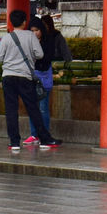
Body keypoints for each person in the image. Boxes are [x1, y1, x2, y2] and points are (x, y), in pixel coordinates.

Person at [0, 9, 59, 152]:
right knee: (33, 109)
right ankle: (44, 138)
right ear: (25, 22)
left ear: (11, 23)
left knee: (11, 110)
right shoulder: (30, 36)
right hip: (25, 77)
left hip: (8, 77)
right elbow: (40, 54)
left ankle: (14, 143)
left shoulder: (7, 38)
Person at [24, 15, 70, 145]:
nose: (34, 33)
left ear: (41, 30)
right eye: (31, 30)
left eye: (37, 30)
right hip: (30, 78)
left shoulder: (49, 41)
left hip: (43, 79)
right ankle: (34, 135)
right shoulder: (27, 43)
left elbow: (45, 59)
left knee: (43, 107)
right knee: (32, 107)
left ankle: (45, 135)